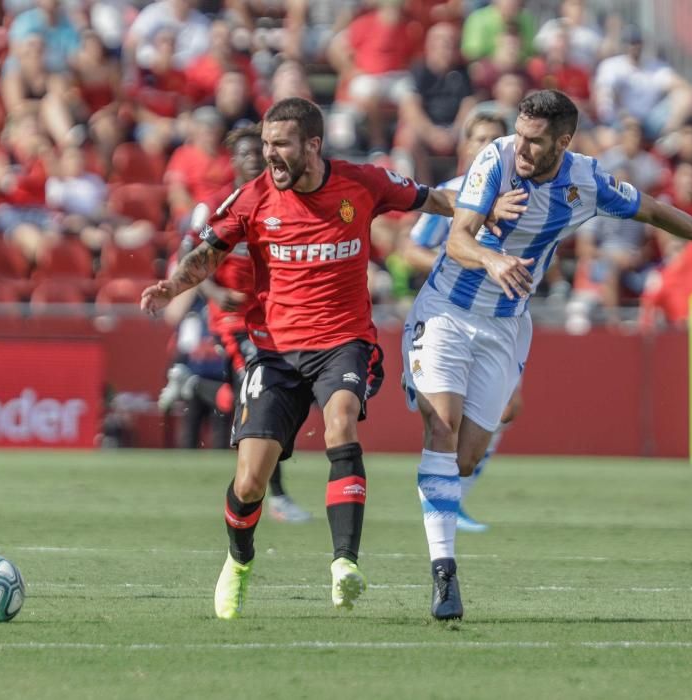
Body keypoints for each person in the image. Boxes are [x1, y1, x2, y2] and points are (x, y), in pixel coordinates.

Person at [403, 89, 692, 620]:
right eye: (520, 135)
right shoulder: (495, 158)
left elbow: (651, 210)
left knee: (461, 458)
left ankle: (442, 515)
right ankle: (444, 575)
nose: (522, 149)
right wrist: (491, 258)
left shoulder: (585, 180)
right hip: (446, 313)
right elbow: (457, 238)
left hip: (505, 326)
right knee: (441, 429)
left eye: (534, 141)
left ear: (563, 141)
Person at [141, 97, 469, 620]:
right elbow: (209, 251)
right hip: (273, 352)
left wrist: (486, 211)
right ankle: (238, 561)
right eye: (266, 144)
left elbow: (432, 199)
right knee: (250, 481)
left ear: (312, 146)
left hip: (343, 341)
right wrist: (173, 284)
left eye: (281, 145)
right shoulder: (251, 198)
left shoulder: (363, 184)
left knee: (341, 421)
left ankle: (344, 564)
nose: (270, 155)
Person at [401, 109, 520, 533]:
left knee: (505, 410)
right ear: (465, 146)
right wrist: (454, 261)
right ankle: (446, 504)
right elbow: (410, 248)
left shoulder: (521, 197)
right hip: (448, 316)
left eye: (495, 139)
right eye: (479, 139)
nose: (486, 147)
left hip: (502, 319)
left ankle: (454, 494)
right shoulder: (452, 193)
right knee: (443, 420)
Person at [190, 123, 312, 523]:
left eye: (254, 152)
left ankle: (196, 387)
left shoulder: (283, 199)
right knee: (261, 395)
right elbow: (188, 256)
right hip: (232, 319)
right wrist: (211, 292)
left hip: (276, 318)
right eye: (242, 152)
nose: (250, 158)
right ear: (232, 159)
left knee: (276, 395)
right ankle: (276, 495)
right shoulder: (217, 204)